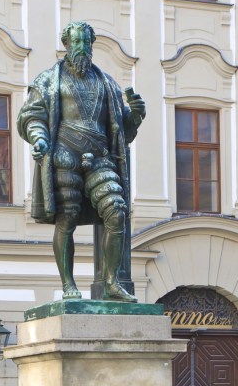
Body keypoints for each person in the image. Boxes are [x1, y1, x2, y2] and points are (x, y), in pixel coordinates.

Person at [17, 21, 146, 302]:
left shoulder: (107, 83)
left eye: (86, 43)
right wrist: (39, 138)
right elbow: (32, 115)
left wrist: (134, 115)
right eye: (76, 42)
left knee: (117, 211)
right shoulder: (49, 80)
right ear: (66, 44)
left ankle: (111, 282)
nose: (82, 48)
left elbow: (120, 129)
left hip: (100, 157)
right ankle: (68, 286)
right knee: (67, 219)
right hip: (65, 154)